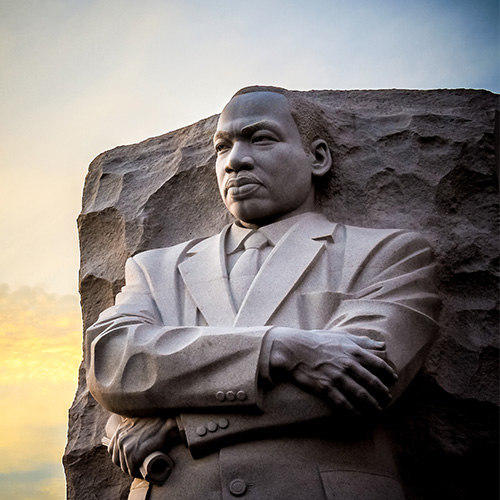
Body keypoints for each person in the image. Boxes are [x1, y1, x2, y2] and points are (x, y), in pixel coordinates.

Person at [86, 86, 440, 500]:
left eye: (261, 138)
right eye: (222, 147)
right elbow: (112, 364)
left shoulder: (386, 254)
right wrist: (279, 348)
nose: (235, 160)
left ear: (317, 157)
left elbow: (365, 381)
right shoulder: (156, 269)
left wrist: (174, 423)